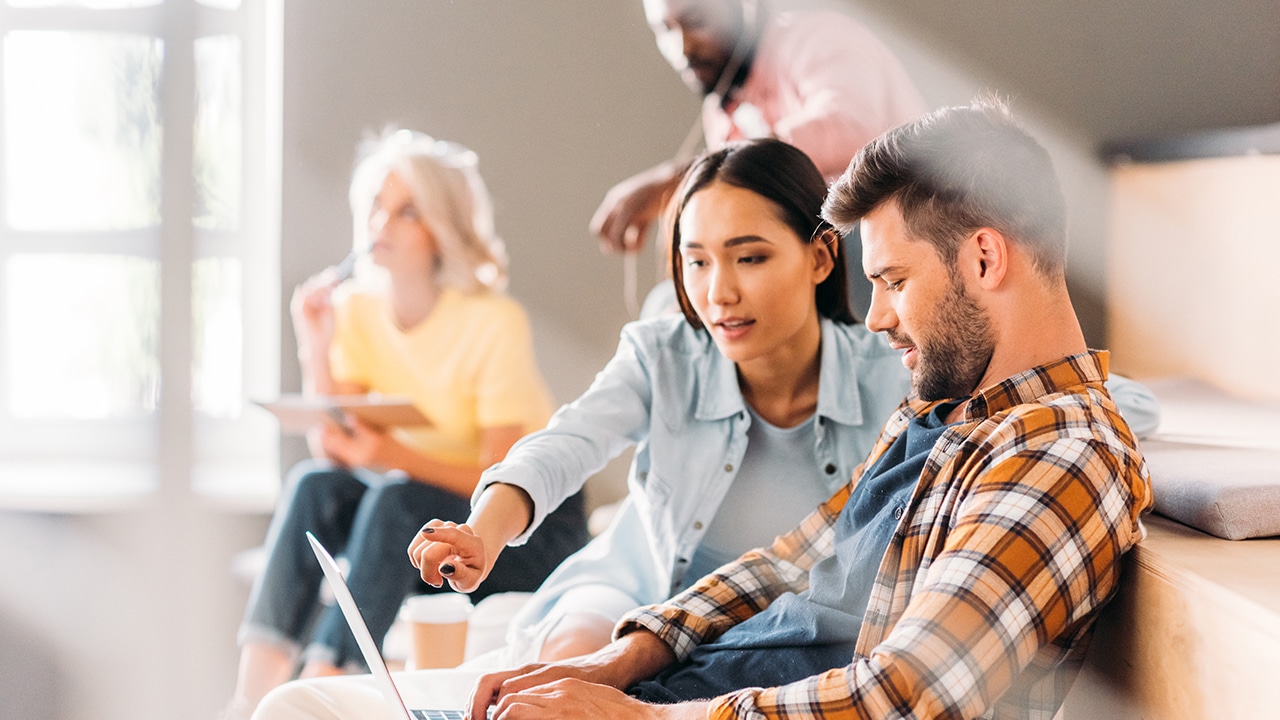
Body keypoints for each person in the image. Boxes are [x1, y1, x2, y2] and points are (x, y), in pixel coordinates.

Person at [250, 130, 1158, 720]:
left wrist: (638, 717)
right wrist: (622, 662)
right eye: (696, 262)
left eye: (893, 282)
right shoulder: (942, 412)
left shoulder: (1058, 456)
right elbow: (791, 560)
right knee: (302, 708)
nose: (876, 318)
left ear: (986, 256)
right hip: (673, 686)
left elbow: (905, 694)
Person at [225, 129, 589, 719]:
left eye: (407, 211)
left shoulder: (493, 322)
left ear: (442, 230)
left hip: (521, 528)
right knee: (313, 485)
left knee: (397, 497)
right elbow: (338, 448)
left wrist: (393, 455)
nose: (382, 224)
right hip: (429, 520)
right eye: (376, 206)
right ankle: (246, 700)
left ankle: (318, 687)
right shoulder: (359, 312)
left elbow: (498, 477)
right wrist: (312, 341)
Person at [593, 0, 927, 255]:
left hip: (913, 231)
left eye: (695, 21)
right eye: (665, 30)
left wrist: (684, 176)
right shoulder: (722, 113)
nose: (683, 48)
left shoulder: (819, 37)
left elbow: (849, 129)